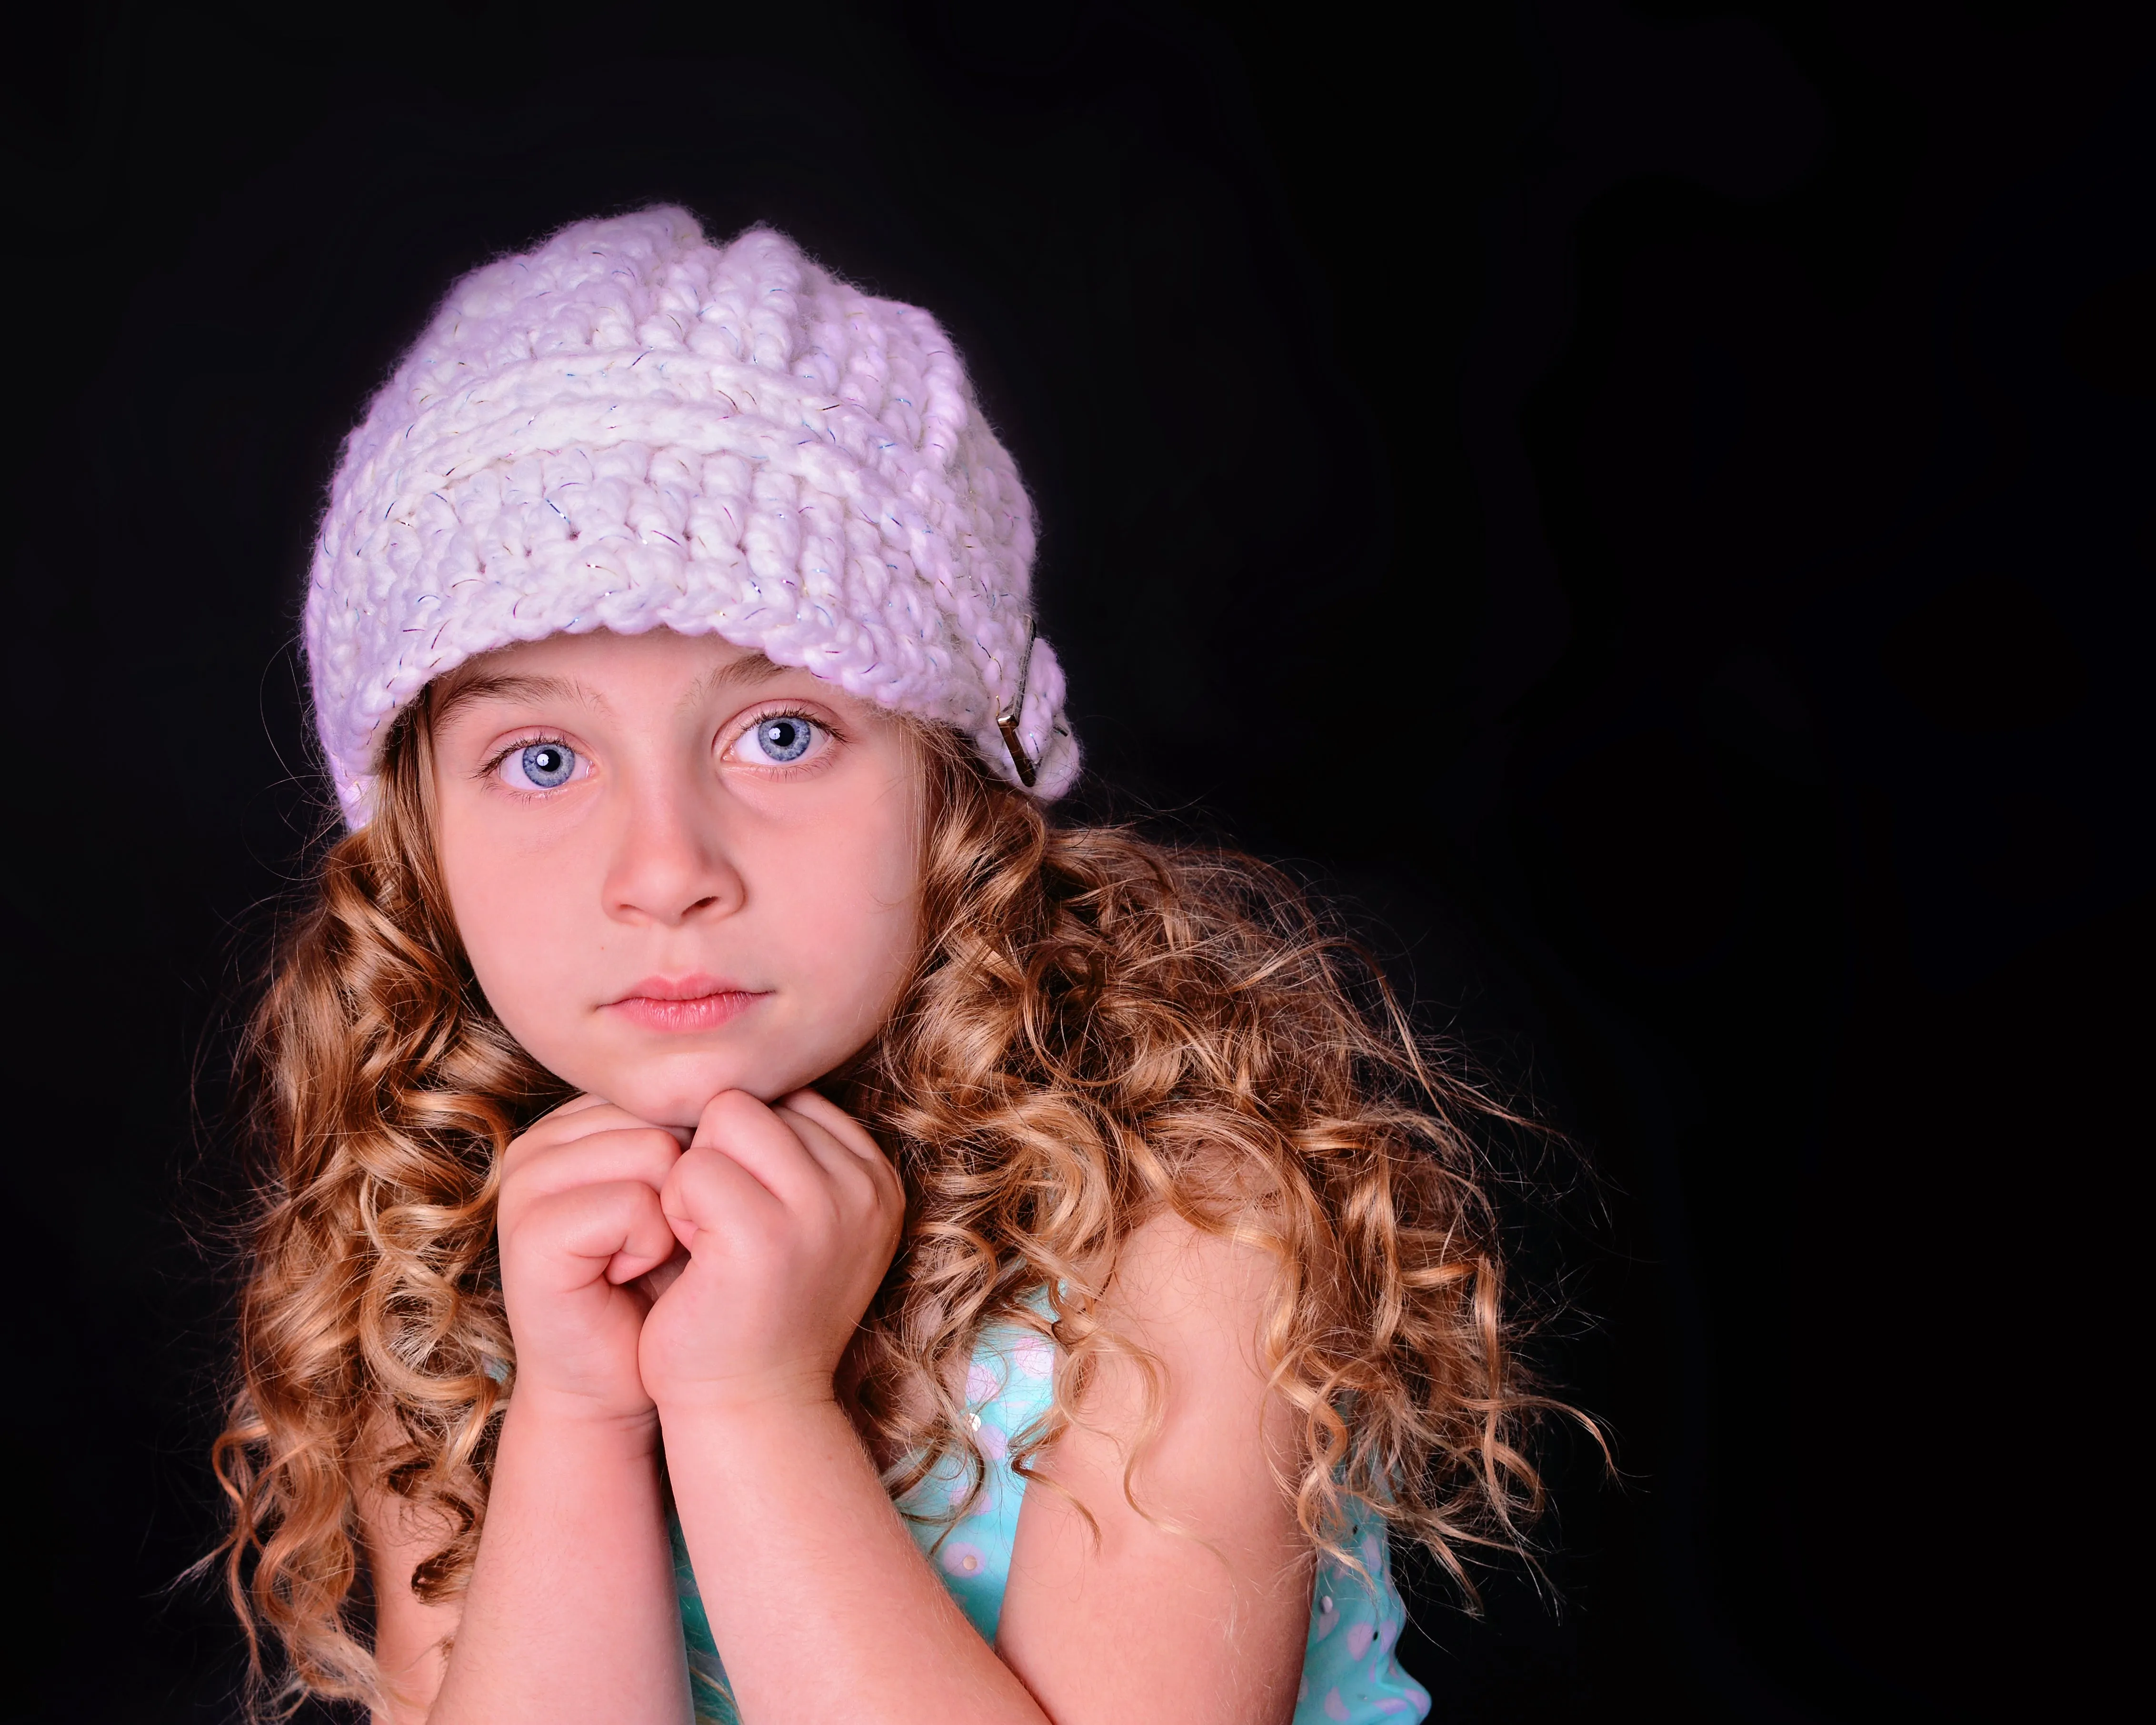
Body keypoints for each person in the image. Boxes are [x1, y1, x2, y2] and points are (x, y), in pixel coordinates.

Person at [211, 207, 1563, 1725]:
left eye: (780, 733)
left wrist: (748, 1401)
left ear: (952, 783)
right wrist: (579, 1413)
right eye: (539, 757)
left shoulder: (1188, 1240)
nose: (666, 870)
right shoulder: (454, 1254)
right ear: (416, 842)